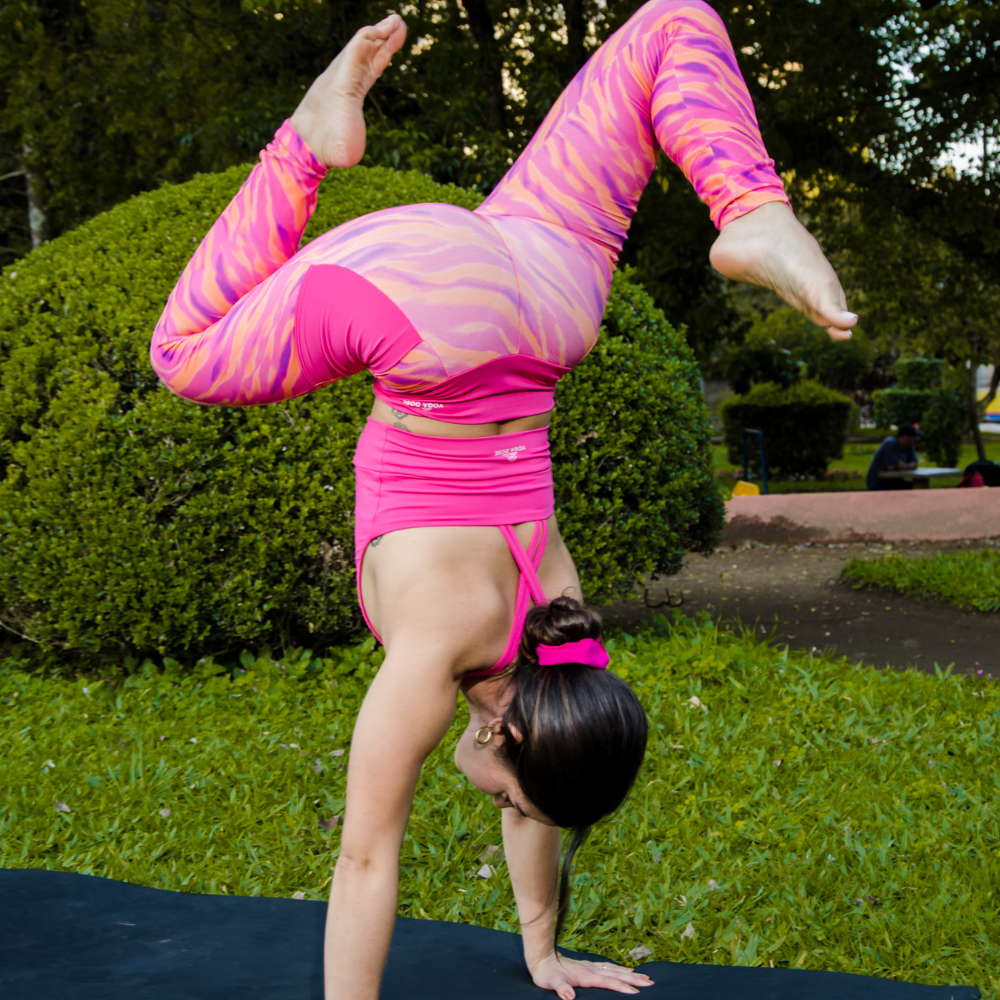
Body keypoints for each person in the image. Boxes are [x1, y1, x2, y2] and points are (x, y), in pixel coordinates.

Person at [150, 5, 857, 998]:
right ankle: (303, 142)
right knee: (177, 356)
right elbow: (364, 861)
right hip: (424, 303)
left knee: (667, 23)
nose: (523, 812)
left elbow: (538, 799)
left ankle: (750, 206)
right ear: (500, 736)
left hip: (547, 290)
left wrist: (541, 951)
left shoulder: (563, 632)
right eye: (526, 795)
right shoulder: (433, 651)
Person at [866, 424, 919, 491]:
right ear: (904, 437)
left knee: (918, 488)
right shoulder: (890, 443)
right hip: (878, 482)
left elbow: (915, 463)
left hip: (894, 482)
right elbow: (891, 466)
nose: (915, 439)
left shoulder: (909, 446)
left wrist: (905, 466)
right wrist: (900, 465)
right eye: (913, 436)